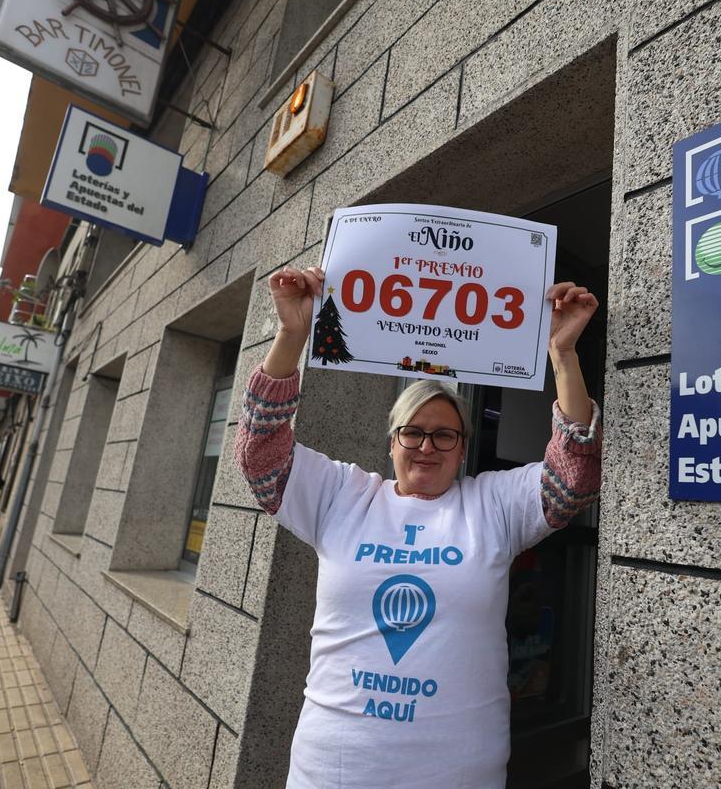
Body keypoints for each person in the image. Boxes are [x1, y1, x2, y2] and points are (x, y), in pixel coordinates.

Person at [235, 265, 602, 788]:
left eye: (445, 436)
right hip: (332, 769)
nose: (427, 446)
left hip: (457, 771)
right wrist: (292, 334)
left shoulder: (490, 505)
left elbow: (575, 475)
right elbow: (259, 455)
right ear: (392, 443)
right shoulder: (344, 495)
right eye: (413, 433)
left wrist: (563, 357)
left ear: (464, 448)